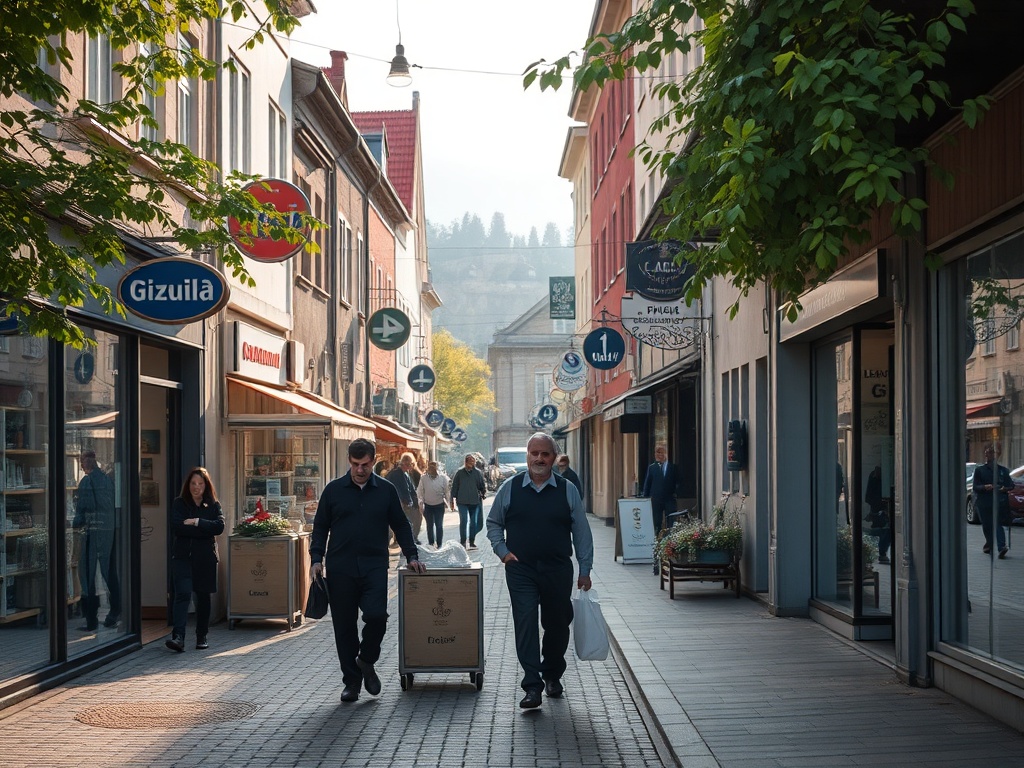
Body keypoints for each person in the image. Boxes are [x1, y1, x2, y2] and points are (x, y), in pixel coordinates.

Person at [310, 438, 426, 703]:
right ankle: (352, 682)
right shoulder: (333, 490)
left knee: (377, 616)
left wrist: (412, 555)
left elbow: (401, 524)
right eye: (354, 464)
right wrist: (317, 558)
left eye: (364, 464)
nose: (359, 470)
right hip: (340, 569)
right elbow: (320, 527)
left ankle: (366, 660)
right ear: (349, 462)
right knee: (344, 627)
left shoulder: (385, 490)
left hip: (374, 566)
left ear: (374, 462)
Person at [486, 432, 594, 709]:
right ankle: (532, 685)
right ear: (527, 456)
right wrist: (503, 552)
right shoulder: (509, 488)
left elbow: (582, 531)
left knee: (557, 624)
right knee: (525, 624)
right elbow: (494, 523)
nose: (539, 459)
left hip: (557, 569)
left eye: (545, 454)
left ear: (554, 458)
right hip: (521, 569)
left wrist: (585, 569)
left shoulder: (567, 489)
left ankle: (553, 674)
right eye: (534, 453)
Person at [166, 467, 225, 652]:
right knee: (182, 594)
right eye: (193, 483)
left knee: (203, 597)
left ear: (206, 485)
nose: (196, 487)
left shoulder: (213, 504)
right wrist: (202, 530)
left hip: (205, 559)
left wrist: (197, 521)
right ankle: (178, 637)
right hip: (182, 557)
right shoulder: (179, 504)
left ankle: (201, 636)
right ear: (188, 485)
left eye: (200, 483)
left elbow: (219, 527)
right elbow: (177, 527)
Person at [72, 451, 120, 632]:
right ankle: (115, 611)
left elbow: (84, 509)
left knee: (87, 574)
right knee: (109, 572)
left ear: (86, 463)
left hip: (92, 533)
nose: (81, 465)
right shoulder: (107, 480)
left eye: (82, 461)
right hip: (109, 530)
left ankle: (91, 619)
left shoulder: (87, 482)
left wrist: (75, 523)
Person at [972, 443, 1014, 559]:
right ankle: (989, 544)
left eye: (993, 453)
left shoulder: (1003, 471)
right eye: (988, 452)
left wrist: (1005, 488)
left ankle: (1001, 547)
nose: (990, 455)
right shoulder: (980, 470)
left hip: (998, 502)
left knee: (997, 523)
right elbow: (976, 487)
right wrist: (985, 487)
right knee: (987, 525)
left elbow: (1011, 485)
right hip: (984, 502)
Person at [451, 452, 487, 550]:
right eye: (469, 461)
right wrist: (452, 500)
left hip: (475, 501)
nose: (471, 463)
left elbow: (481, 485)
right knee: (464, 521)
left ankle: (471, 541)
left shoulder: (477, 473)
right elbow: (454, 487)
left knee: (474, 522)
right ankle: (463, 542)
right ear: (466, 462)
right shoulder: (460, 473)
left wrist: (483, 493)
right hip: (462, 501)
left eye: (473, 461)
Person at [641, 444, 679, 532]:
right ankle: (657, 539)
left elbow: (678, 481)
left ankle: (670, 540)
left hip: (669, 499)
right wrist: (645, 498)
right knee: (656, 521)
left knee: (671, 521)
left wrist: (676, 493)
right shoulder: (652, 468)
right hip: (656, 499)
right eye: (657, 452)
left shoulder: (672, 467)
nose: (659, 454)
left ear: (666, 454)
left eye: (662, 452)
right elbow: (647, 484)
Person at [386, 452, 423, 544]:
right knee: (406, 524)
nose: (413, 466)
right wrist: (405, 502)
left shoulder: (405, 474)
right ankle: (409, 541)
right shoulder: (397, 474)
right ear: (406, 464)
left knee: (413, 521)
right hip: (402, 504)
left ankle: (411, 539)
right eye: (412, 464)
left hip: (406, 503)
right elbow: (399, 490)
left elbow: (411, 490)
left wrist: (416, 503)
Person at [417, 459, 450, 549]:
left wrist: (449, 502)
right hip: (428, 506)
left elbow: (446, 491)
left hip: (439, 505)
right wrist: (421, 503)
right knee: (429, 525)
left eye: (434, 466)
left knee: (439, 525)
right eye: (430, 466)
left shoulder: (443, 478)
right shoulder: (423, 478)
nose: (432, 468)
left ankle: (439, 544)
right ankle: (431, 543)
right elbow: (420, 491)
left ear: (437, 468)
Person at [864, 465, 891, 565]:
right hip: (880, 507)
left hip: (881, 507)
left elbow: (869, 496)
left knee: (884, 530)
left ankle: (882, 552)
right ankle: (882, 553)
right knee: (884, 530)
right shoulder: (874, 477)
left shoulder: (879, 477)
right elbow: (869, 495)